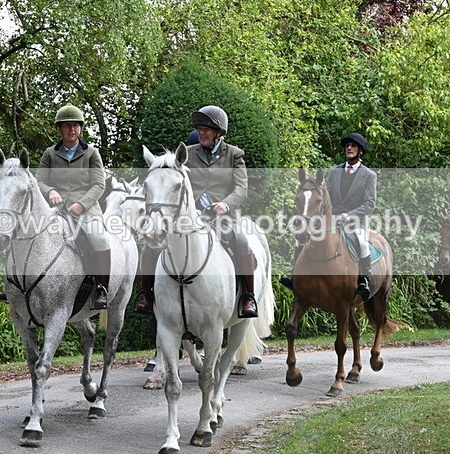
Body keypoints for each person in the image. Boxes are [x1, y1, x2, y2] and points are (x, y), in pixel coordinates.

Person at [135, 105, 258, 318]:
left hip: (222, 215)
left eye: (206, 129)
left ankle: (248, 296)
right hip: (189, 217)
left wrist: (225, 204)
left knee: (240, 240)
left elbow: (241, 189)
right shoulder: (186, 154)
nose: (201, 132)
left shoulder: (234, 155)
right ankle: (146, 293)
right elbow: (171, 182)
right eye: (199, 128)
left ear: (219, 132)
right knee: (151, 243)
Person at [0, 104, 111, 308]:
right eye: (66, 126)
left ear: (81, 128)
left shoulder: (92, 153)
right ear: (60, 129)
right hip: (55, 211)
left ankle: (102, 287)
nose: (71, 129)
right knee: (21, 233)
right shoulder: (50, 153)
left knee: (98, 237)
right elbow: (37, 181)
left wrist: (81, 205)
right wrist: (50, 191)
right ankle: (12, 285)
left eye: (75, 125)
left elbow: (99, 185)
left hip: (86, 211)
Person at [280, 132, 377, 300]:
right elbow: (326, 196)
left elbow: (369, 203)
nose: (349, 148)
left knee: (362, 241)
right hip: (332, 218)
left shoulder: (369, 175)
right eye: (347, 146)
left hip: (355, 220)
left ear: (360, 151)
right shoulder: (334, 171)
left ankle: (364, 280)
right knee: (301, 237)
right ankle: (294, 276)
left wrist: (350, 215)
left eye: (353, 146)